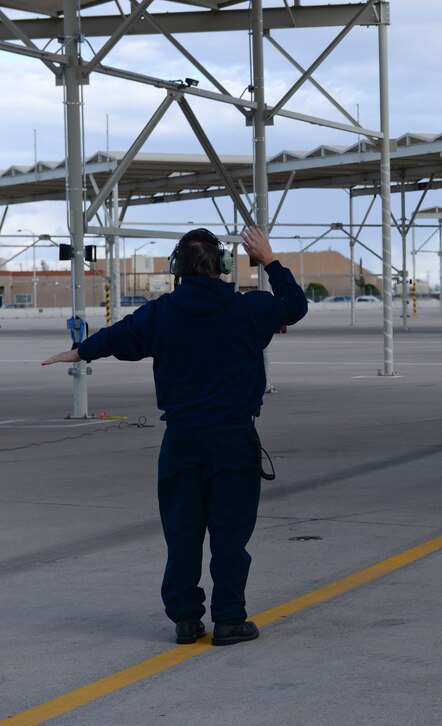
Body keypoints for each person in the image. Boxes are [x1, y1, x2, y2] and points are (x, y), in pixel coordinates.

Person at [42, 227, 307, 646]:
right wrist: (268, 259)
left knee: (182, 531)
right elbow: (294, 305)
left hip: (182, 441)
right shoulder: (251, 310)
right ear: (222, 266)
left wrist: (77, 352)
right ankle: (229, 620)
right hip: (233, 439)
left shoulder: (161, 313)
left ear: (174, 269)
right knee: (230, 533)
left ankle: (186, 619)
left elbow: (117, 337)